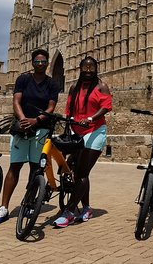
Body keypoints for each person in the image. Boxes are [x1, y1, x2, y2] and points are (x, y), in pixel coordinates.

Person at [0, 49, 60, 225]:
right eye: (37, 62)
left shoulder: (52, 84)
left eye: (43, 62)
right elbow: (16, 101)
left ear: (47, 64)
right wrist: (23, 120)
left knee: (35, 169)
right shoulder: (23, 79)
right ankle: (4, 207)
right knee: (15, 166)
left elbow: (51, 107)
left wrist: (36, 120)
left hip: (41, 128)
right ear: (32, 63)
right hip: (21, 129)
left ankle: (29, 203)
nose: (40, 64)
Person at [54, 56, 112, 227]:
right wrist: (69, 122)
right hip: (76, 130)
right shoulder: (74, 87)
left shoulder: (101, 86)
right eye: (85, 67)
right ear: (80, 69)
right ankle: (86, 207)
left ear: (96, 69)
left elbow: (106, 107)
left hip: (95, 131)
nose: (88, 71)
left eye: (91, 67)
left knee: (82, 172)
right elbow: (69, 110)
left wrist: (90, 118)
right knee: (80, 171)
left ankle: (70, 211)